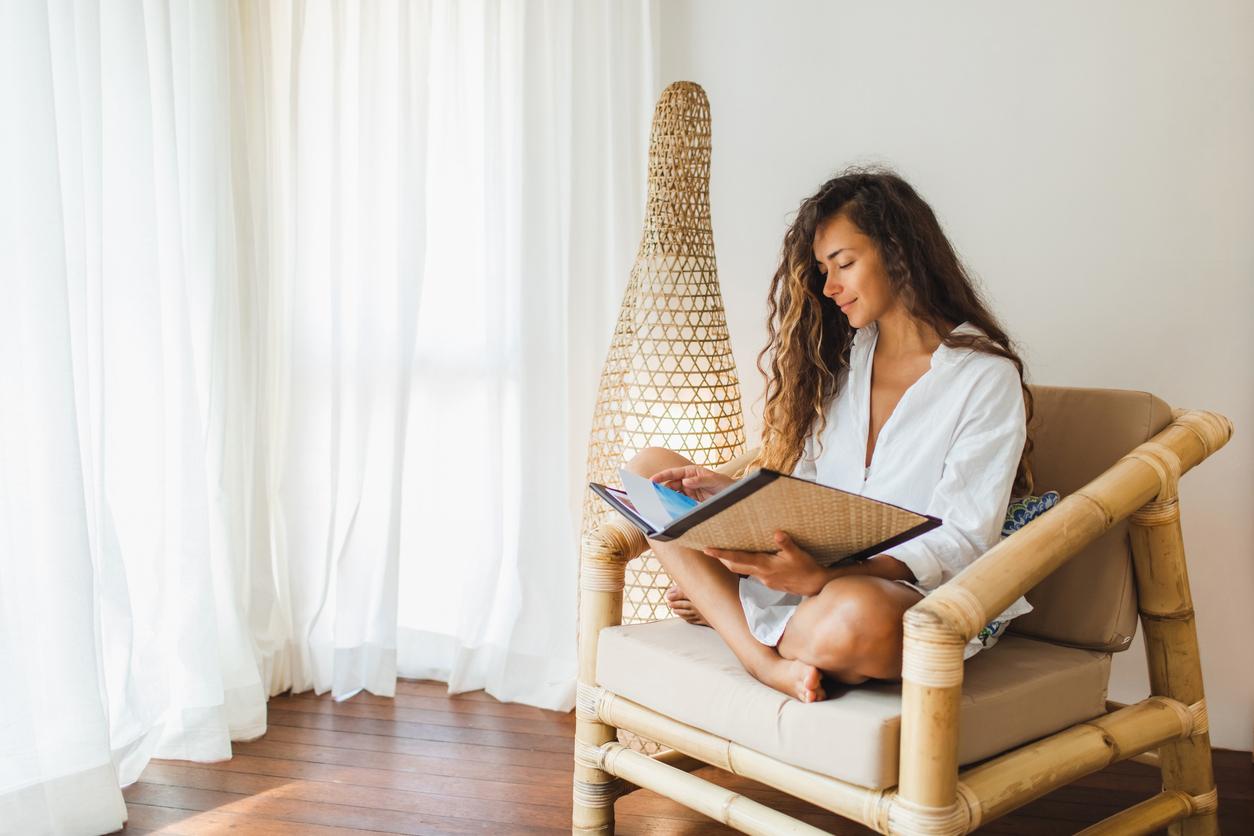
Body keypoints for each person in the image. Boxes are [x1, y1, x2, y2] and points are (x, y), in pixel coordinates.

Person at [624, 167, 1035, 704]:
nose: (828, 286)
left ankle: (735, 622)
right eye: (822, 269)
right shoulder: (843, 363)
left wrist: (831, 575)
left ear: (899, 251)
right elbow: (812, 491)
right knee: (647, 466)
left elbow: (963, 539)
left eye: (843, 263)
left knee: (855, 615)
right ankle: (764, 659)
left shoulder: (983, 376)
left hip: (901, 595)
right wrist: (732, 498)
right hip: (814, 577)